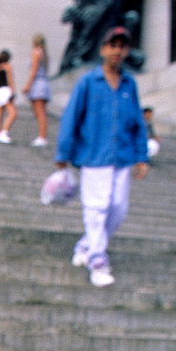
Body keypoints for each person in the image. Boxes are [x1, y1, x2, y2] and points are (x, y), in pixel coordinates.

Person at [54, 26, 148, 288]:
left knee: (118, 208)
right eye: (112, 45)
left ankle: (86, 245)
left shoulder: (129, 84)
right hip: (94, 156)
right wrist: (63, 152)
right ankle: (98, 262)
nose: (117, 51)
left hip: (122, 156)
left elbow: (137, 121)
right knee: (97, 209)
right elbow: (71, 116)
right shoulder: (88, 82)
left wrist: (142, 156)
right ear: (103, 49)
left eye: (122, 46)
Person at [22, 34, 52, 146]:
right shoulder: (44, 54)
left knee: (39, 112)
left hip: (37, 83)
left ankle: (42, 137)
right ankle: (42, 136)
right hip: (43, 82)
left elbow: (33, 70)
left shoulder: (36, 52)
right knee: (40, 111)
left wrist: (28, 85)